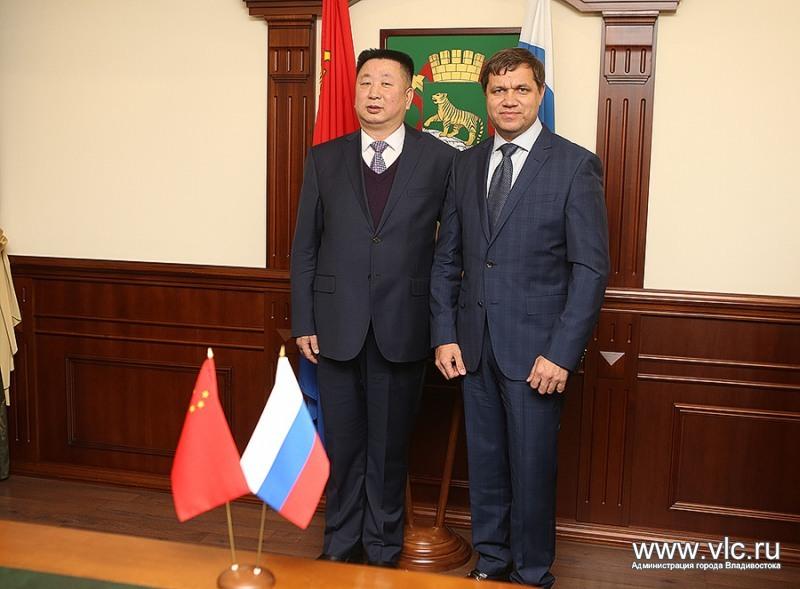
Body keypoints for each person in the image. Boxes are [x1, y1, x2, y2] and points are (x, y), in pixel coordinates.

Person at [430, 48, 609, 587]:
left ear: (540, 95)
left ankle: (531, 574)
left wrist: (561, 353)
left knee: (531, 468)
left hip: (537, 353)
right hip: (473, 346)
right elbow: (447, 260)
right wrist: (444, 334)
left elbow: (590, 270)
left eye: (521, 90)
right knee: (484, 464)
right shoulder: (464, 164)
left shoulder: (574, 164)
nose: (509, 100)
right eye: (499, 90)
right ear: (486, 97)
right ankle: (490, 561)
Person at [290, 48, 455, 567]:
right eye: (365, 82)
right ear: (354, 92)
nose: (374, 92)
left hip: (404, 325)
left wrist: (443, 328)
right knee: (342, 447)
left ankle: (383, 550)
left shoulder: (440, 159)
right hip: (335, 327)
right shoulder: (325, 158)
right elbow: (305, 247)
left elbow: (450, 251)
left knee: (388, 450)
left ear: (408, 95)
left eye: (386, 83)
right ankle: (340, 546)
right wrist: (304, 320)